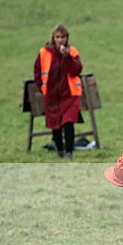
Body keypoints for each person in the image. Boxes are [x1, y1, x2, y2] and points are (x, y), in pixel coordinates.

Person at [33, 24, 83, 159]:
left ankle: (69, 152)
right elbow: (37, 71)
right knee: (55, 124)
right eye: (57, 37)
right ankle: (59, 149)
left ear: (67, 38)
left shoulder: (72, 52)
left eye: (63, 37)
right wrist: (42, 87)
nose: (60, 40)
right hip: (51, 94)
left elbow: (77, 70)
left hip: (70, 94)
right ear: (53, 38)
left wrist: (67, 57)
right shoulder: (44, 53)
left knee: (68, 122)